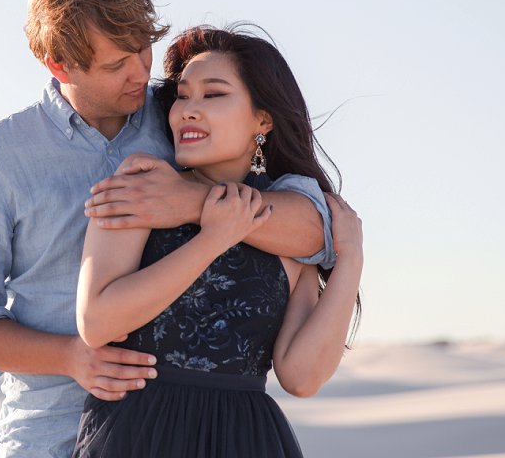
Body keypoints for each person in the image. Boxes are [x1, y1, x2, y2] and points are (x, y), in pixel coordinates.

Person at [0, 0, 338, 457]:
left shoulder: (184, 117)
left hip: (183, 431)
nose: (141, 75)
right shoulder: (2, 155)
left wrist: (190, 200)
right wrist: (70, 357)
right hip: (47, 434)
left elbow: (311, 229)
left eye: (142, 51)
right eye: (115, 65)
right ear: (59, 66)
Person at [73, 25, 364, 457]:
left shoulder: (287, 221)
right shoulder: (144, 184)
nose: (187, 110)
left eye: (213, 95)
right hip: (138, 435)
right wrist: (213, 238)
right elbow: (97, 322)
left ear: (262, 119)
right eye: (182, 96)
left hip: (247, 440)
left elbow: (301, 377)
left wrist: (351, 262)